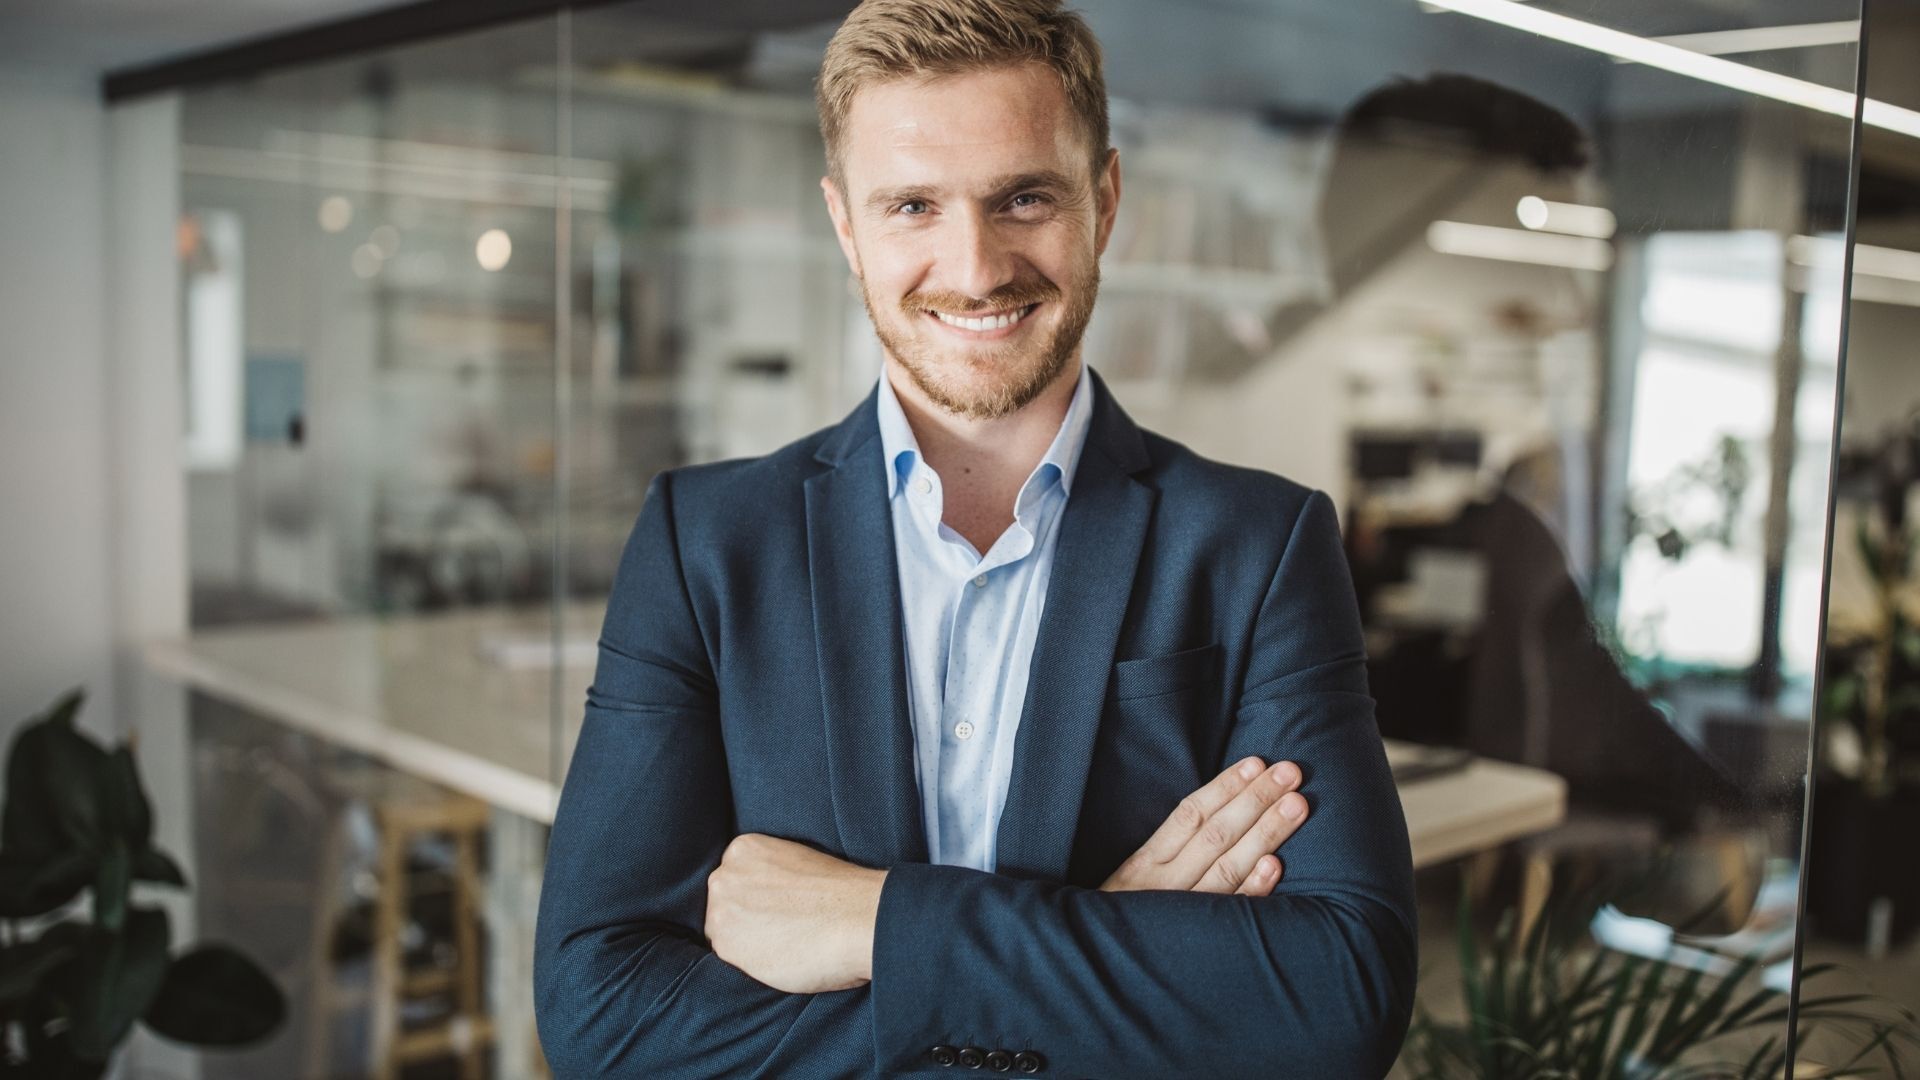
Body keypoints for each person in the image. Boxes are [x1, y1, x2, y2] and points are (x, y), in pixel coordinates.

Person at [532, 1, 1416, 1075]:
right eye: (912, 205)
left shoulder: (1258, 545)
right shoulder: (705, 543)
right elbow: (600, 1016)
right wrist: (1108, 932)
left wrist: (877, 925)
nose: (976, 267)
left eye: (1025, 198)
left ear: (1104, 199)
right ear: (845, 224)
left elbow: (1341, 997)